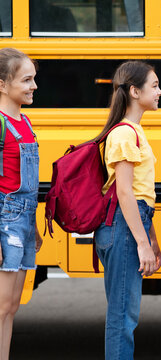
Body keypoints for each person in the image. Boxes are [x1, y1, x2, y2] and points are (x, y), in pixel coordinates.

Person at [93, 61, 161, 360]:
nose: (160, 91)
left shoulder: (134, 131)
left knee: (126, 314)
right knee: (123, 316)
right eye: (155, 85)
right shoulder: (124, 134)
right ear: (135, 91)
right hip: (122, 228)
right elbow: (124, 192)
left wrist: (152, 239)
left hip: (130, 225)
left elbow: (141, 195)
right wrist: (143, 243)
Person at [0, 47, 42, 360]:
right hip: (6, 222)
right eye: (26, 80)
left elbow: (29, 188)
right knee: (1, 306)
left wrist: (35, 227)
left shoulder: (25, 121)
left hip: (24, 222)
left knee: (11, 307)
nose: (33, 86)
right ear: (3, 85)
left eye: (33, 79)